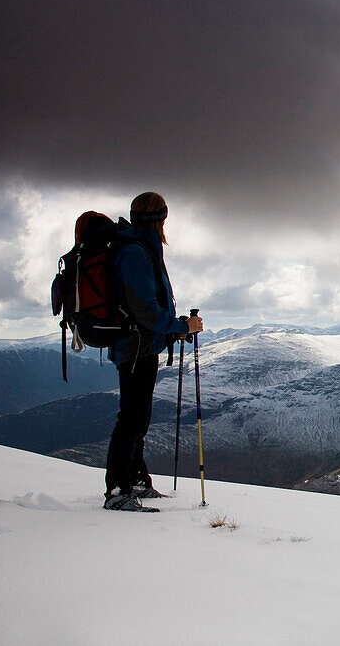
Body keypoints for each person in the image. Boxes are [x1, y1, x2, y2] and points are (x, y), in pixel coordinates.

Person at [103, 191, 204, 511]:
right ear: (161, 217)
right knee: (131, 419)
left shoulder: (139, 247)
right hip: (136, 347)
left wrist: (174, 327)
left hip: (139, 345)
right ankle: (118, 491)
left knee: (137, 419)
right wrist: (180, 327)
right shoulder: (136, 252)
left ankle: (134, 481)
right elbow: (145, 311)